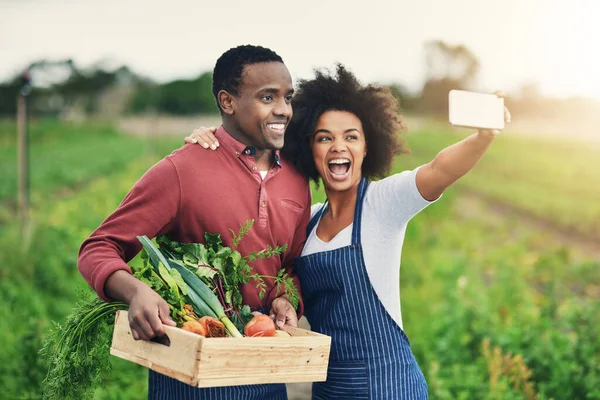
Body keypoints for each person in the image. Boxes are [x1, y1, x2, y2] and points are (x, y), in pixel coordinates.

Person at [186, 64, 511, 399]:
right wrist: (213, 144)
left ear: (367, 148)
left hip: (390, 385)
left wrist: (483, 136)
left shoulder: (384, 203)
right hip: (330, 389)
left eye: (351, 137)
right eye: (325, 138)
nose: (338, 146)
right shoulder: (305, 222)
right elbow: (247, 214)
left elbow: (440, 169)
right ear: (309, 151)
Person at [78, 45, 312, 400]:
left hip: (266, 368)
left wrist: (285, 298)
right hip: (192, 369)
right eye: (268, 97)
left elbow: (289, 264)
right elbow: (99, 248)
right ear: (227, 101)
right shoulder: (182, 171)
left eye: (287, 97)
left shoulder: (296, 178)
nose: (283, 109)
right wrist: (135, 290)